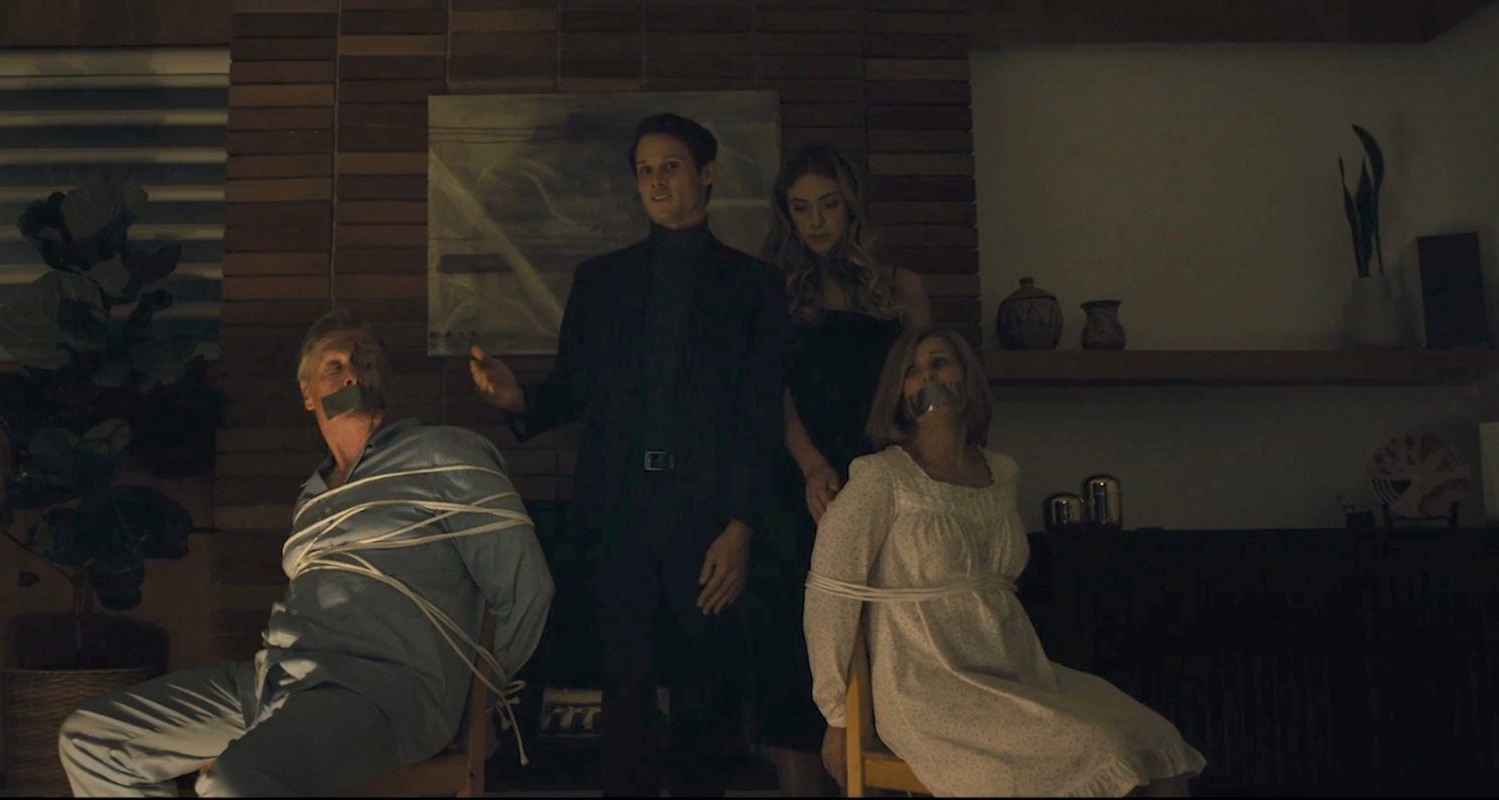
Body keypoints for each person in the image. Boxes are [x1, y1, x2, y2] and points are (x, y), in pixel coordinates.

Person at [58, 309, 556, 797]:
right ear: (307, 393)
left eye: (366, 363)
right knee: (93, 742)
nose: (353, 374)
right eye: (334, 366)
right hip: (276, 680)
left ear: (382, 382)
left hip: (382, 693)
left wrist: (478, 704)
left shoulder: (445, 452)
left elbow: (527, 590)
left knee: (231, 782)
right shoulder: (313, 496)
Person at [468, 112, 791, 796]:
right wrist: (518, 401)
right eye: (645, 170)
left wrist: (741, 527)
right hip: (618, 515)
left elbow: (760, 415)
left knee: (707, 702)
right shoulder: (602, 281)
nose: (656, 181)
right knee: (623, 699)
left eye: (670, 166)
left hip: (708, 520)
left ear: (707, 173)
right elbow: (572, 389)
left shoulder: (754, 285)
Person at [803, 325, 1207, 797]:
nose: (927, 377)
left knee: (1157, 740)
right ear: (898, 393)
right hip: (930, 687)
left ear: (966, 376)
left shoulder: (1003, 471)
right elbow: (829, 593)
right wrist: (837, 716)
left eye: (939, 363)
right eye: (912, 371)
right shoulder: (879, 477)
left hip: (1018, 670)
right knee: (1099, 750)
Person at [750, 144, 933, 796]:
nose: (817, 221)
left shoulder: (901, 288)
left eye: (829, 205)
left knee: (884, 642)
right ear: (787, 215)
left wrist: (907, 478)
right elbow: (772, 395)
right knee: (793, 650)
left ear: (853, 207)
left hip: (888, 479)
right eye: (802, 209)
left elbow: (924, 391)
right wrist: (813, 469)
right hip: (801, 484)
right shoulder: (775, 290)